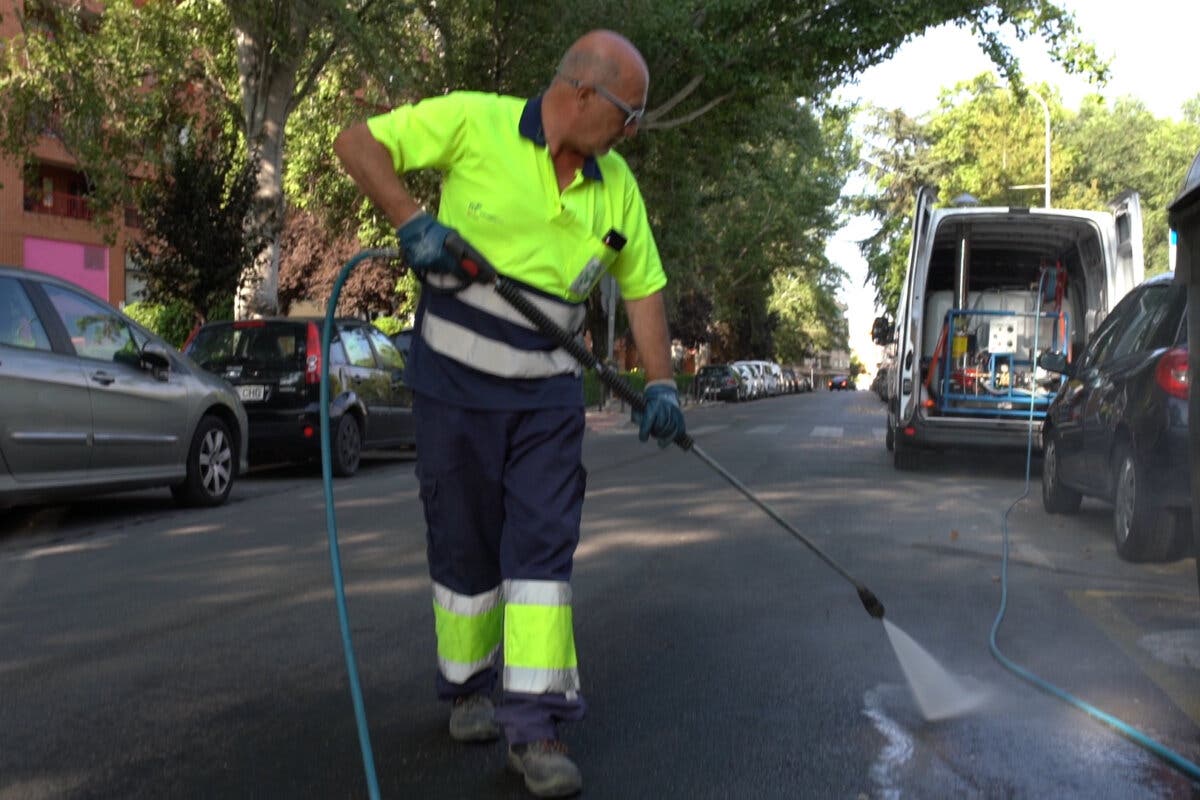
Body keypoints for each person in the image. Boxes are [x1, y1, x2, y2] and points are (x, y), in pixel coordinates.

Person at [334, 29, 685, 799]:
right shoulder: (473, 121)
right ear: (586, 95)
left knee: (541, 556)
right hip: (453, 391)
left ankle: (536, 726)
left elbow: (644, 285)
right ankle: (466, 687)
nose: (632, 132)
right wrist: (408, 218)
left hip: (549, 400)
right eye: (630, 115)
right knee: (463, 547)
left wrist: (660, 386)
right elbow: (355, 140)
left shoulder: (616, 183)